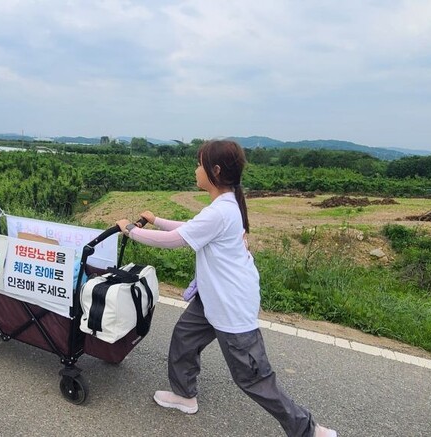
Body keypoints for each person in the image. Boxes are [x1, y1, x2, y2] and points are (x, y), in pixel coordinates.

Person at [116, 140, 337, 437]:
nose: (195, 169)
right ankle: (184, 395)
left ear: (215, 171)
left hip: (230, 304)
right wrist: (156, 220)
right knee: (184, 338)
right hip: (212, 298)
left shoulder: (221, 210)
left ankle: (308, 430)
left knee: (253, 378)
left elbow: (178, 239)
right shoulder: (224, 205)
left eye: (199, 164)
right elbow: (191, 227)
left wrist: (132, 231)